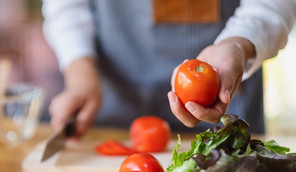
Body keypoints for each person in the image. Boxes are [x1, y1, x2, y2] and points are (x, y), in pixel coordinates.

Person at [42, 0, 296, 136]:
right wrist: (80, 74)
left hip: (224, 96)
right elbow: (66, 6)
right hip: (112, 103)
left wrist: (238, 44)